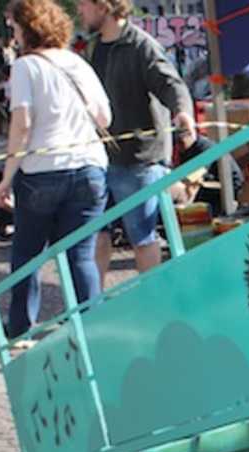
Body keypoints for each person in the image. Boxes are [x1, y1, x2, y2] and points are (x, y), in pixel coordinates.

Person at [0, 0, 111, 339]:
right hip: (89, 167)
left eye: (13, 26)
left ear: (27, 28)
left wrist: (7, 177)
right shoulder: (77, 62)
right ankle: (90, 328)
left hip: (42, 170)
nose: (11, 33)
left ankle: (19, 328)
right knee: (81, 256)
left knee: (27, 255)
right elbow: (105, 118)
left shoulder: (25, 66)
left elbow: (23, 124)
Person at [76, 0, 195, 280]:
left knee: (141, 236)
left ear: (103, 7)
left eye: (83, 4)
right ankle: (94, 306)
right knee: (97, 234)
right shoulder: (93, 47)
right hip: (100, 157)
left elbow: (171, 83)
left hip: (139, 158)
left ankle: (152, 304)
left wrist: (183, 113)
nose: (79, 9)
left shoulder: (141, 45)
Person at [173, 132, 244, 210]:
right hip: (213, 181)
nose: (179, 147)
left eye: (181, 142)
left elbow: (196, 174)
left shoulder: (204, 147)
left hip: (230, 185)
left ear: (190, 135)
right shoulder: (187, 150)